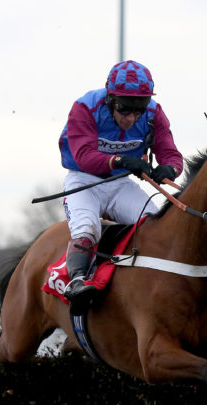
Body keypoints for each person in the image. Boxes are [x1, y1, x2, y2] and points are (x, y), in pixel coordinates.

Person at [58, 60, 183, 306]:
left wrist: (170, 168)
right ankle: (77, 281)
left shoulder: (154, 114)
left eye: (139, 110)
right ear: (110, 98)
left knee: (156, 226)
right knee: (86, 228)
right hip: (83, 180)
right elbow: (83, 156)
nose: (131, 118)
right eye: (124, 109)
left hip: (119, 183)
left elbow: (171, 154)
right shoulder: (85, 107)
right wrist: (121, 160)